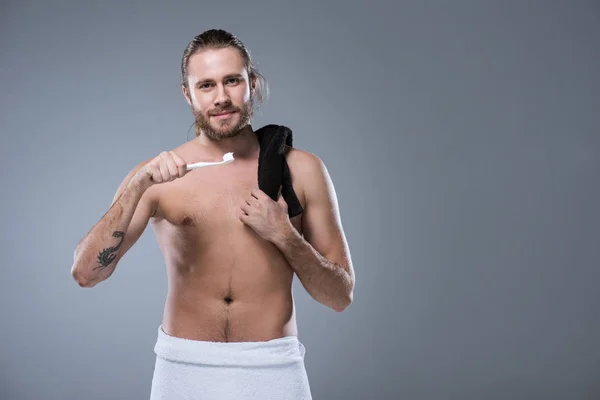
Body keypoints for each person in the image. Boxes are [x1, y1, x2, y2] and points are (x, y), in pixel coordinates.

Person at [71, 29, 355, 399]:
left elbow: (339, 297)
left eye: (232, 81)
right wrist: (136, 185)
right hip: (183, 369)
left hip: (272, 367)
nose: (221, 98)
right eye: (206, 85)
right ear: (188, 93)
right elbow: (85, 274)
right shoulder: (157, 176)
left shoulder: (302, 170)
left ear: (252, 84)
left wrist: (285, 235)